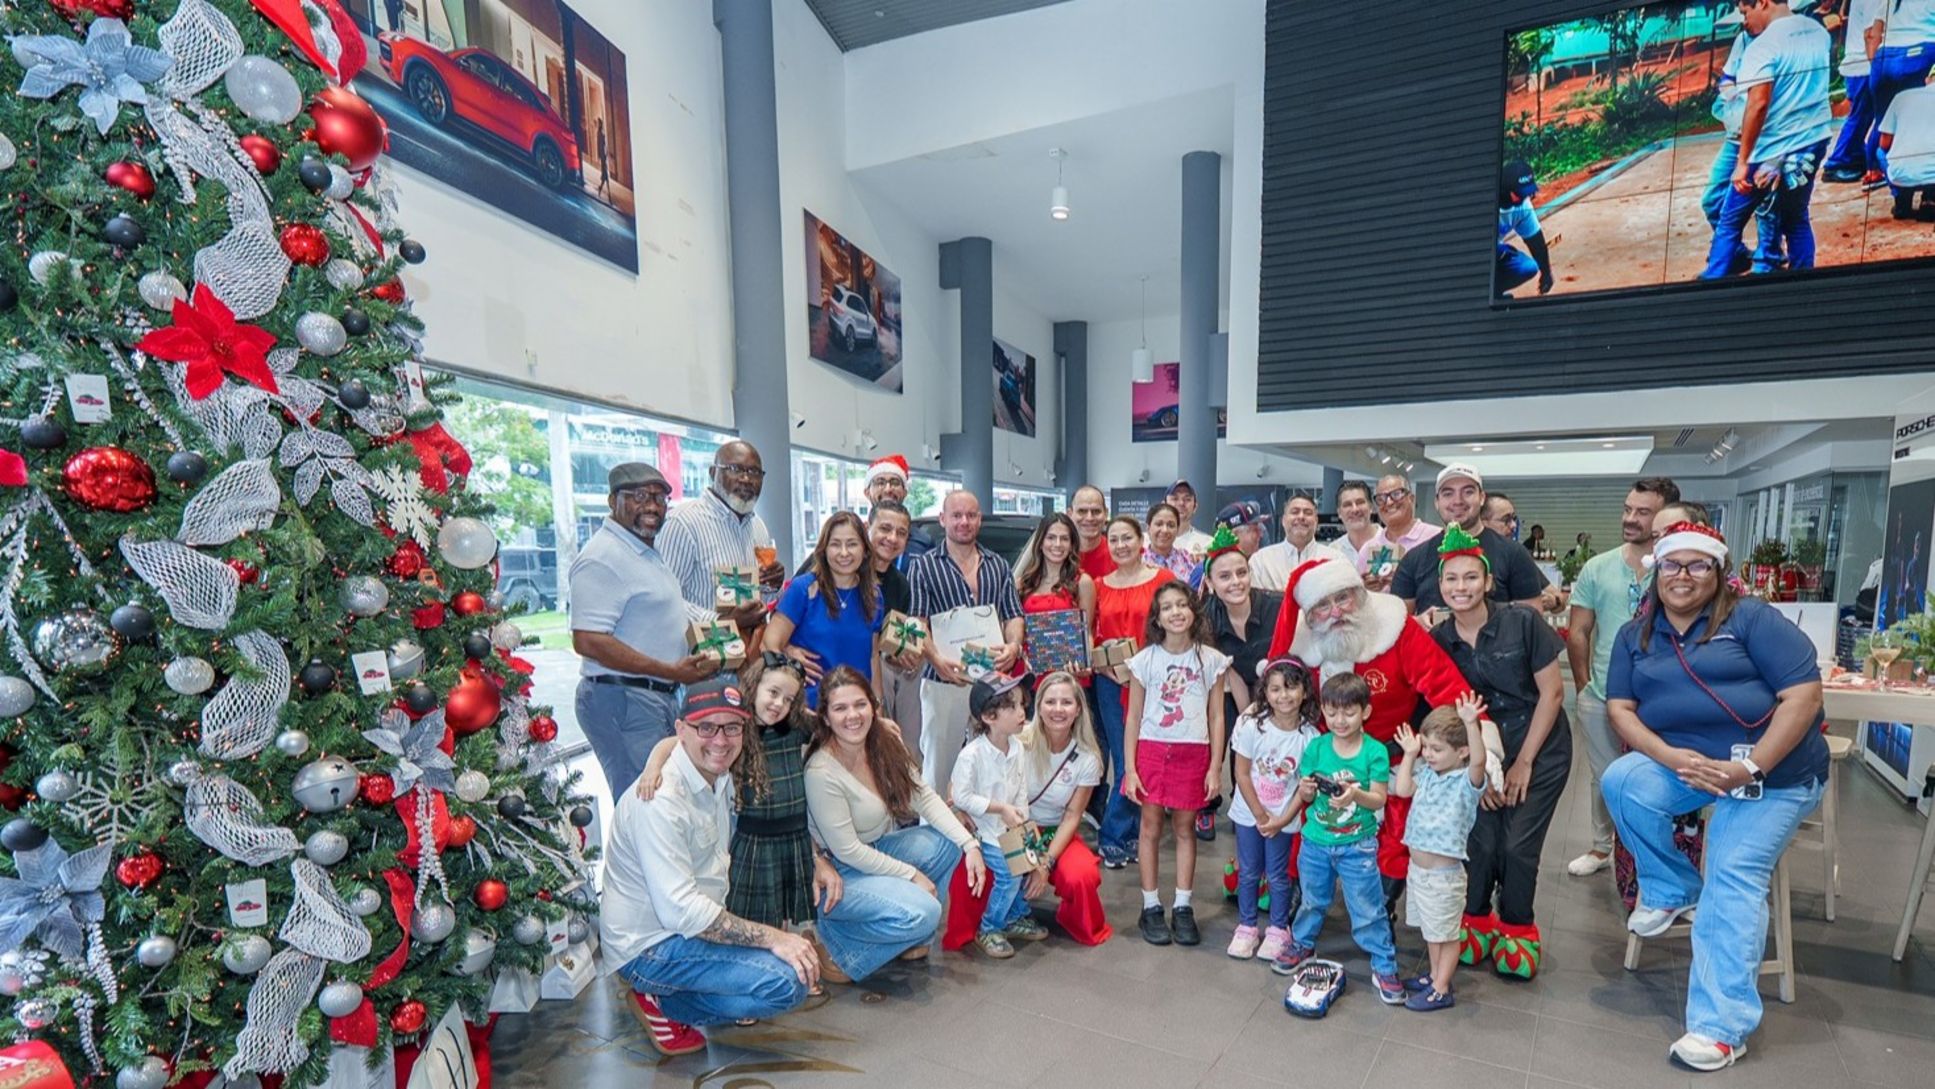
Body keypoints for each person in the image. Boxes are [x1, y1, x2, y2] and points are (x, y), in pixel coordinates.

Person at [1602, 522, 1829, 1072]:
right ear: (1655, 571)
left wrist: (1749, 765)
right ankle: (1673, 886)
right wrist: (1671, 758)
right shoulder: (1636, 635)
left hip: (1769, 776)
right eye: (1672, 565)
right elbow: (1620, 711)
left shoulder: (1753, 620)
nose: (1682, 577)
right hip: (1692, 765)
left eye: (1696, 565)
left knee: (1730, 873)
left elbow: (1803, 694)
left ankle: (1720, 1027)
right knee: (1623, 782)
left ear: (1719, 571)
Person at [601, 677, 817, 1055]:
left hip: (686, 930)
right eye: (707, 727)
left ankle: (674, 995)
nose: (720, 740)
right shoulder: (661, 801)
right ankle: (664, 1003)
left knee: (786, 970)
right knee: (785, 981)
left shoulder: (715, 773)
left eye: (732, 727)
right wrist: (774, 937)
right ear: (682, 730)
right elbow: (681, 910)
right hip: (651, 947)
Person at [1264, 555, 1477, 919]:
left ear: (1360, 595)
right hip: (1325, 762)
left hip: (1389, 760)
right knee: (1309, 833)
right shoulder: (1303, 649)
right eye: (1323, 606)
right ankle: (1303, 904)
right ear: (1310, 616)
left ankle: (1380, 911)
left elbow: (1445, 685)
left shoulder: (1396, 630)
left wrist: (1478, 739)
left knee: (1394, 838)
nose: (1335, 612)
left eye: (1343, 599)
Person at [631, 654, 838, 1014]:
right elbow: (672, 742)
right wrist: (652, 766)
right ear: (755, 687)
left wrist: (880, 724)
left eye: (789, 699)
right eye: (773, 693)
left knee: (788, 903)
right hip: (754, 837)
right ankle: (748, 970)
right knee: (753, 905)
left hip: (792, 834)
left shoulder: (795, 727)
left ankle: (794, 955)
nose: (779, 704)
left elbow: (833, 724)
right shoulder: (735, 729)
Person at [1429, 526, 1569, 982]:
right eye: (1451, 580)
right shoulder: (1439, 641)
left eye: (1471, 578)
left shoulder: (1523, 622)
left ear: (1488, 581)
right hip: (1479, 754)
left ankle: (1516, 925)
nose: (1461, 588)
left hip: (1539, 746)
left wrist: (1523, 761)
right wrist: (1485, 771)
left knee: (1517, 843)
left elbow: (1552, 694)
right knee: (1481, 841)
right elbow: (1447, 712)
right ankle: (1475, 919)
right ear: (1441, 585)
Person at [804, 667, 987, 982]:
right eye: (840, 708)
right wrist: (912, 875)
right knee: (925, 912)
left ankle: (909, 936)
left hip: (876, 850)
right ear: (825, 717)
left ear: (873, 707)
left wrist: (970, 845)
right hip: (839, 871)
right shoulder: (822, 771)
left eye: (860, 704)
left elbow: (924, 797)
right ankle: (843, 952)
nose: (853, 715)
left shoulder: (884, 741)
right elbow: (848, 851)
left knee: (946, 844)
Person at [569, 463, 720, 797]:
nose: (652, 506)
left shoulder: (644, 551)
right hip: (623, 699)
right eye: (639, 496)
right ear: (613, 501)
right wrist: (669, 670)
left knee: (663, 797)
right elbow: (589, 640)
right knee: (645, 803)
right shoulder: (603, 557)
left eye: (659, 497)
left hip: (652, 696)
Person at [1565, 477, 1680, 879]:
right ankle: (1602, 847)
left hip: (1662, 699)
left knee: (1658, 779)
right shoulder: (1598, 568)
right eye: (1628, 509)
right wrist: (1584, 689)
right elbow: (1578, 631)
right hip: (1602, 695)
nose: (1630, 518)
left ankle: (1654, 856)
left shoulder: (1677, 569)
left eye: (1642, 512)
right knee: (1605, 775)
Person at [1271, 673, 1405, 1005]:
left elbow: (1379, 799)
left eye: (1348, 712)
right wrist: (1305, 789)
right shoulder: (1316, 747)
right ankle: (1302, 943)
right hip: (1315, 841)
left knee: (1368, 908)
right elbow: (1304, 790)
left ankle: (1384, 964)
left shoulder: (1374, 752)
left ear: (1366, 712)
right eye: (1332, 713)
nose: (1339, 721)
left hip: (1357, 846)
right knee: (1312, 900)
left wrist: (1355, 796)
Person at [1122, 580, 1230, 947]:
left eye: (1182, 605)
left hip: (1192, 751)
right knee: (1150, 826)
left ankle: (1183, 905)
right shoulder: (1145, 659)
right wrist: (1131, 768)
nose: (1175, 612)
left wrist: (1215, 766)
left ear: (1193, 610)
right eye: (1167, 607)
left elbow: (1217, 716)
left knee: (1185, 828)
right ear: (1157, 617)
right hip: (1152, 749)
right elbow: (1133, 717)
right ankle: (1150, 905)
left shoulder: (1210, 660)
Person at [1700, 1, 1834, 281]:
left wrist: (1742, 160)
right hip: (1812, 141)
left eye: (1745, 12)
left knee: (1729, 222)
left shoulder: (1762, 46)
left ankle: (1713, 288)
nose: (1744, 21)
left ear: (1762, 2)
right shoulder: (1818, 32)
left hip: (1769, 149)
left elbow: (1758, 104)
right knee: (1796, 219)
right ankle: (1802, 291)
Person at [907, 490, 1025, 792]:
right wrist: (936, 659)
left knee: (990, 765)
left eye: (971, 515)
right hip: (943, 682)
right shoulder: (923, 566)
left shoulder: (997, 565)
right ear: (943, 519)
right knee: (938, 765)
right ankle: (935, 835)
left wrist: (1013, 647)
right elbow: (917, 622)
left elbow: (1013, 615)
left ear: (979, 520)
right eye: (956, 515)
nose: (964, 522)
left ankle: (983, 833)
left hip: (991, 682)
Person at [1389, 699, 1490, 1012]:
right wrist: (1409, 755)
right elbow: (1403, 789)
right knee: (1432, 933)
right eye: (1426, 747)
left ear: (1460, 751)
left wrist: (1471, 724)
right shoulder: (1429, 774)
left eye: (1436, 749)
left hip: (1444, 878)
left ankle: (1442, 988)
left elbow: (1478, 762)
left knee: (1445, 935)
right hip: (1419, 873)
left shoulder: (1466, 782)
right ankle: (1434, 976)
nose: (1428, 754)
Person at [1091, 516, 1177, 868]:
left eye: (1127, 537)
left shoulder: (1162, 580)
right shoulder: (1097, 585)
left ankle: (1129, 831)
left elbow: (1174, 624)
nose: (1121, 545)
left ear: (1141, 540)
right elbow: (1090, 636)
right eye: (1114, 539)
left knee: (1148, 756)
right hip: (1111, 682)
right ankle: (1114, 836)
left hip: (1154, 682)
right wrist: (1105, 666)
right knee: (1125, 759)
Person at [944, 674, 1048, 958]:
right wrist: (1000, 808)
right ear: (989, 716)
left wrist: (1025, 828)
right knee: (1008, 874)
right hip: (984, 833)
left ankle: (1014, 916)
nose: (1021, 712)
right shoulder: (972, 755)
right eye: (1012, 706)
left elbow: (1021, 792)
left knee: (1028, 863)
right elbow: (961, 797)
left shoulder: (1016, 748)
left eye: (1022, 704)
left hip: (1011, 829)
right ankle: (989, 927)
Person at [1225, 657, 1320, 962]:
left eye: (1291, 688)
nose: (1284, 696)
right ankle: (1247, 925)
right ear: (1265, 693)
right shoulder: (1253, 726)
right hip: (1249, 814)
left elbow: (1305, 787)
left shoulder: (1310, 737)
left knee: (1279, 875)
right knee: (1249, 871)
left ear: (1305, 691)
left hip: (1284, 817)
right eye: (1276, 689)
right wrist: (1260, 815)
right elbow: (1241, 773)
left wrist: (1282, 819)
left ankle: (1279, 929)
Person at [1200, 525, 1285, 841]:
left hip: (1279, 682)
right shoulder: (1206, 617)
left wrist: (1271, 709)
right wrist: (1250, 715)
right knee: (1238, 730)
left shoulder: (1276, 606)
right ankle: (1228, 801)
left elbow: (1286, 661)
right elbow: (1229, 671)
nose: (1235, 582)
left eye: (1241, 573)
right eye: (1224, 576)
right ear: (1210, 582)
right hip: (1234, 682)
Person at [1019, 672, 1111, 944]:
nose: (1058, 709)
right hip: (1015, 827)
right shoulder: (1018, 739)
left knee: (1082, 876)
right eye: (1050, 702)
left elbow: (1072, 816)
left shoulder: (1089, 758)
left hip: (1055, 830)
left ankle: (1074, 921)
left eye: (1066, 702)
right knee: (982, 871)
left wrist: (1045, 862)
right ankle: (988, 923)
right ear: (1038, 706)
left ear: (1078, 709)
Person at [1391, 464, 1551, 617]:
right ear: (1436, 502)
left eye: (1468, 492)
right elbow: (1397, 622)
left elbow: (1532, 621)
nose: (1457, 501)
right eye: (1448, 493)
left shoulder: (1514, 554)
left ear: (1482, 498)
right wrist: (1417, 623)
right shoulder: (1414, 559)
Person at [658, 440, 785, 625]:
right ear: (713, 473)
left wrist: (772, 585)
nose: (746, 479)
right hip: (699, 650)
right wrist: (723, 621)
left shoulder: (757, 526)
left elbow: (758, 599)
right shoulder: (683, 523)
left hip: (746, 648)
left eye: (754, 472)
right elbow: (663, 600)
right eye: (735, 469)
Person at [767, 511, 884, 707]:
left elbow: (873, 656)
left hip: (854, 713)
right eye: (836, 544)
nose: (844, 553)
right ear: (823, 550)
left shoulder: (874, 595)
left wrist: (877, 707)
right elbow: (769, 644)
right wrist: (789, 657)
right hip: (808, 711)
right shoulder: (803, 589)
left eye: (852, 544)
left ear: (865, 550)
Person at [1704, 22, 1787, 275]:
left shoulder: (1783, 39)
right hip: (1737, 136)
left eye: (1746, 10)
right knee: (1713, 199)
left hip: (1770, 136)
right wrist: (1735, 94)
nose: (1744, 17)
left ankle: (1769, 258)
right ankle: (1735, 252)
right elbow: (1728, 77)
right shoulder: (1744, 38)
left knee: (1766, 202)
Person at [867, 501, 924, 752]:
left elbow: (892, 639)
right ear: (868, 528)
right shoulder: (844, 570)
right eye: (885, 529)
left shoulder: (900, 584)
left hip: (883, 676)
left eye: (901, 533)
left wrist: (899, 655)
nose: (892, 538)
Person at [1013, 511, 1097, 673]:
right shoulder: (1022, 584)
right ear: (1040, 542)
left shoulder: (1083, 582)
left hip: (1068, 674)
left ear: (1072, 544)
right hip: (1028, 674)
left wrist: (1085, 664)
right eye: (1051, 537)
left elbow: (1087, 633)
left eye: (1064, 539)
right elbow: (1014, 633)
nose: (1057, 544)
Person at [1868, 0, 1935, 194]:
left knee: (1883, 123)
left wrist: (1876, 65)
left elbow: (1874, 34)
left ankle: (1897, 192)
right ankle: (1930, 195)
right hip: (1920, 53)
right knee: (1924, 123)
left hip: (1884, 58)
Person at [1823, 0, 1887, 183]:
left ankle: (1854, 156)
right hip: (1863, 64)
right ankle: (1838, 162)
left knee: (1864, 116)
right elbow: (1871, 34)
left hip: (1860, 64)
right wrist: (1876, 67)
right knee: (1861, 116)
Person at [1358, 473, 1440, 592]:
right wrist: (1366, 588)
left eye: (1396, 494)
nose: (1389, 502)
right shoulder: (1368, 549)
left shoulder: (1436, 538)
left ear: (1411, 499)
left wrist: (1404, 581)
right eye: (1381, 499)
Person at [1247, 494, 1344, 592]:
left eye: (1308, 513)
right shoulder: (1261, 561)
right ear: (1283, 520)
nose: (1301, 516)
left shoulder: (1335, 560)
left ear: (1316, 521)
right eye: (1295, 512)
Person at [1878, 64, 1935, 217]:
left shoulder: (1902, 96)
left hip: (1901, 174)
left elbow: (1884, 143)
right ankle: (1931, 199)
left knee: (1880, 152)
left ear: (1927, 80)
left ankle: (1901, 199)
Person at [1496, 159, 1555, 297]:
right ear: (1506, 189)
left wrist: (1546, 272)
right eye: (1520, 193)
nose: (1525, 197)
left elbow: (1536, 242)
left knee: (1528, 268)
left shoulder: (1523, 206)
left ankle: (1495, 292)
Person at [1143, 502, 1202, 586]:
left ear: (1177, 530)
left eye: (1171, 525)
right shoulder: (1138, 561)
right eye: (1159, 524)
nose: (1165, 530)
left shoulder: (1187, 559)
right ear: (1148, 528)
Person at [1070, 484, 1115, 581]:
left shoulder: (1119, 553)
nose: (1089, 518)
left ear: (1106, 514)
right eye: (1082, 511)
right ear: (1070, 514)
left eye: (1096, 511)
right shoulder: (1059, 553)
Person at [1167, 479, 1215, 563]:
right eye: (1175, 499)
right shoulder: (1147, 541)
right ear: (1164, 505)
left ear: (1195, 507)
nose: (1181, 503)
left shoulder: (1208, 543)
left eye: (1187, 499)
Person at [1336, 481, 1379, 568]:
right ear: (1339, 513)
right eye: (1347, 504)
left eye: (1360, 502)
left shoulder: (1391, 543)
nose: (1355, 509)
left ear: (1371, 507)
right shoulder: (1333, 551)